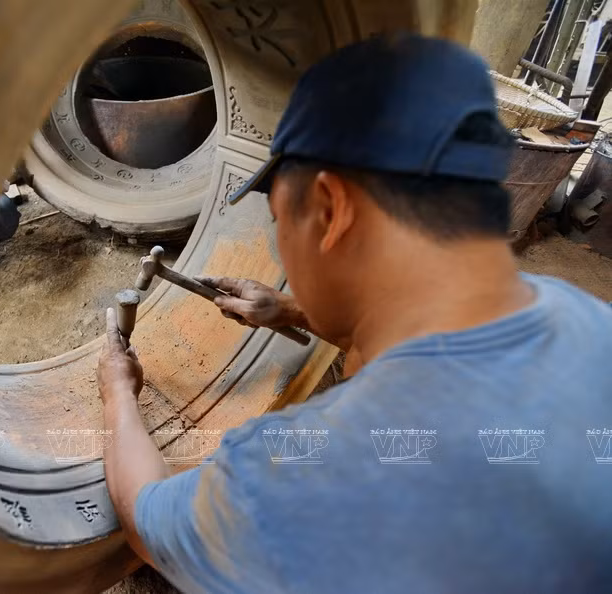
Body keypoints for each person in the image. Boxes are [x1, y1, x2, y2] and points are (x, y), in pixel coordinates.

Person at [96, 34, 612, 593]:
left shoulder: (301, 475)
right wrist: (288, 309)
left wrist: (118, 395)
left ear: (329, 208)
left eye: (278, 219)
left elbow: (148, 522)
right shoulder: (584, 317)